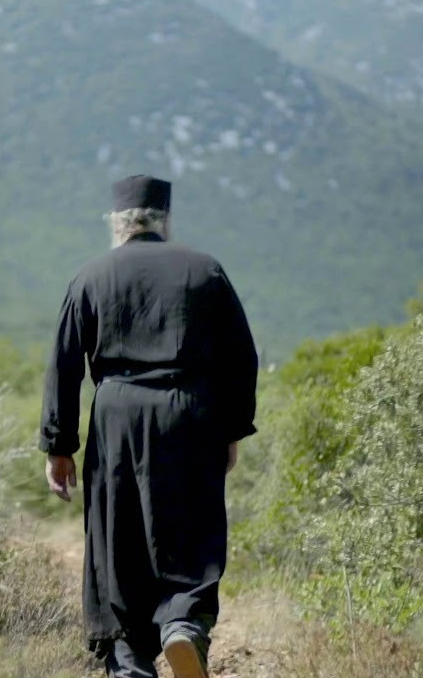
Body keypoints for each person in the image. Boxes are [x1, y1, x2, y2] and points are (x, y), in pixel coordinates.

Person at [39, 175, 259, 678]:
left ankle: (129, 660)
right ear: (164, 221)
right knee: (192, 530)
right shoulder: (206, 271)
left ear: (117, 224)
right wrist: (231, 428)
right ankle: (183, 626)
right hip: (190, 414)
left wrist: (59, 446)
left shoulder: (91, 276)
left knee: (119, 542)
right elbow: (241, 357)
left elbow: (64, 364)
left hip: (117, 415)